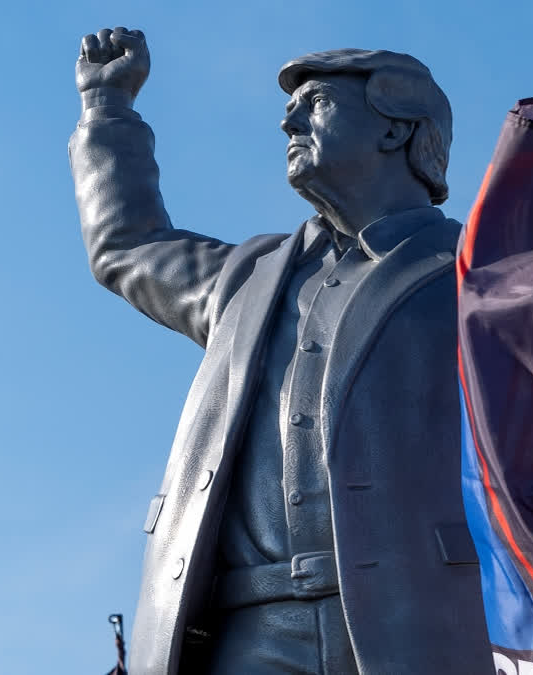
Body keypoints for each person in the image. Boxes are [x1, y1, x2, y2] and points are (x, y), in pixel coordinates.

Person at [69, 28, 487, 673]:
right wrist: (107, 109)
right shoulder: (249, 278)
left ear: (395, 130)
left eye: (316, 102)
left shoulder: (480, 275)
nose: (289, 118)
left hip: (422, 622)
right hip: (248, 633)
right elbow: (127, 244)